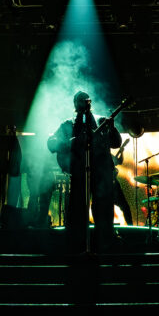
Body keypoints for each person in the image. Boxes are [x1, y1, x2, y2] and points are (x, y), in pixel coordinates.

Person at [47, 91, 122, 253]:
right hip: (79, 173)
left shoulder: (101, 121)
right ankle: (77, 244)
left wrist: (112, 127)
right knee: (78, 209)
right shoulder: (67, 124)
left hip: (101, 174)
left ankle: (105, 243)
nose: (82, 103)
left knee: (103, 208)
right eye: (79, 100)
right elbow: (51, 143)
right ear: (75, 103)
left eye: (85, 100)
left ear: (90, 103)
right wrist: (70, 143)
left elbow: (116, 143)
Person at [0, 124, 22, 207]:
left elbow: (18, 155)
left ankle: (3, 205)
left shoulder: (4, 141)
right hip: (9, 169)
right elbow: (19, 156)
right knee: (6, 188)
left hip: (6, 168)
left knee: (4, 187)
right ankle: (4, 205)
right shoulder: (13, 141)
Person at [112, 139, 133, 225]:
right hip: (107, 185)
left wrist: (121, 152)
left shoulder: (108, 155)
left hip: (114, 185)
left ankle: (130, 226)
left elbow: (119, 161)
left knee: (125, 207)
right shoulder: (99, 156)